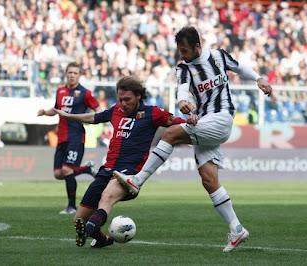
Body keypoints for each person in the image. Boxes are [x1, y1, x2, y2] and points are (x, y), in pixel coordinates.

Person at [114, 26, 273, 252]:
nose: (182, 55)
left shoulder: (218, 56)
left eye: (185, 50)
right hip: (204, 121)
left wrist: (259, 78)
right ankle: (237, 229)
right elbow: (182, 92)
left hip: (222, 117)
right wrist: (183, 104)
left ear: (197, 46)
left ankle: (137, 180)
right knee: (208, 179)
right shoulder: (184, 69)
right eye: (180, 51)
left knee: (170, 134)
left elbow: (240, 67)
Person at [53, 76, 187, 248]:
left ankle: (90, 228)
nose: (123, 103)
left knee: (106, 198)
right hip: (106, 170)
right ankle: (102, 239)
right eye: (120, 99)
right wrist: (69, 116)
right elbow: (94, 117)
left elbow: (177, 122)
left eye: (127, 99)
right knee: (79, 218)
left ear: (139, 96)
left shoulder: (153, 113)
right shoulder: (115, 110)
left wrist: (193, 122)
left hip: (129, 174)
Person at [37, 62, 100, 215]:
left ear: (79, 75)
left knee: (67, 169)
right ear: (66, 74)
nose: (72, 75)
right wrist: (45, 112)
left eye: (75, 73)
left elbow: (98, 109)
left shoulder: (85, 93)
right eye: (70, 72)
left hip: (76, 136)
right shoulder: (60, 91)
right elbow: (56, 109)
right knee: (58, 173)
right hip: (62, 137)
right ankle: (87, 169)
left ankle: (71, 207)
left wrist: (93, 118)